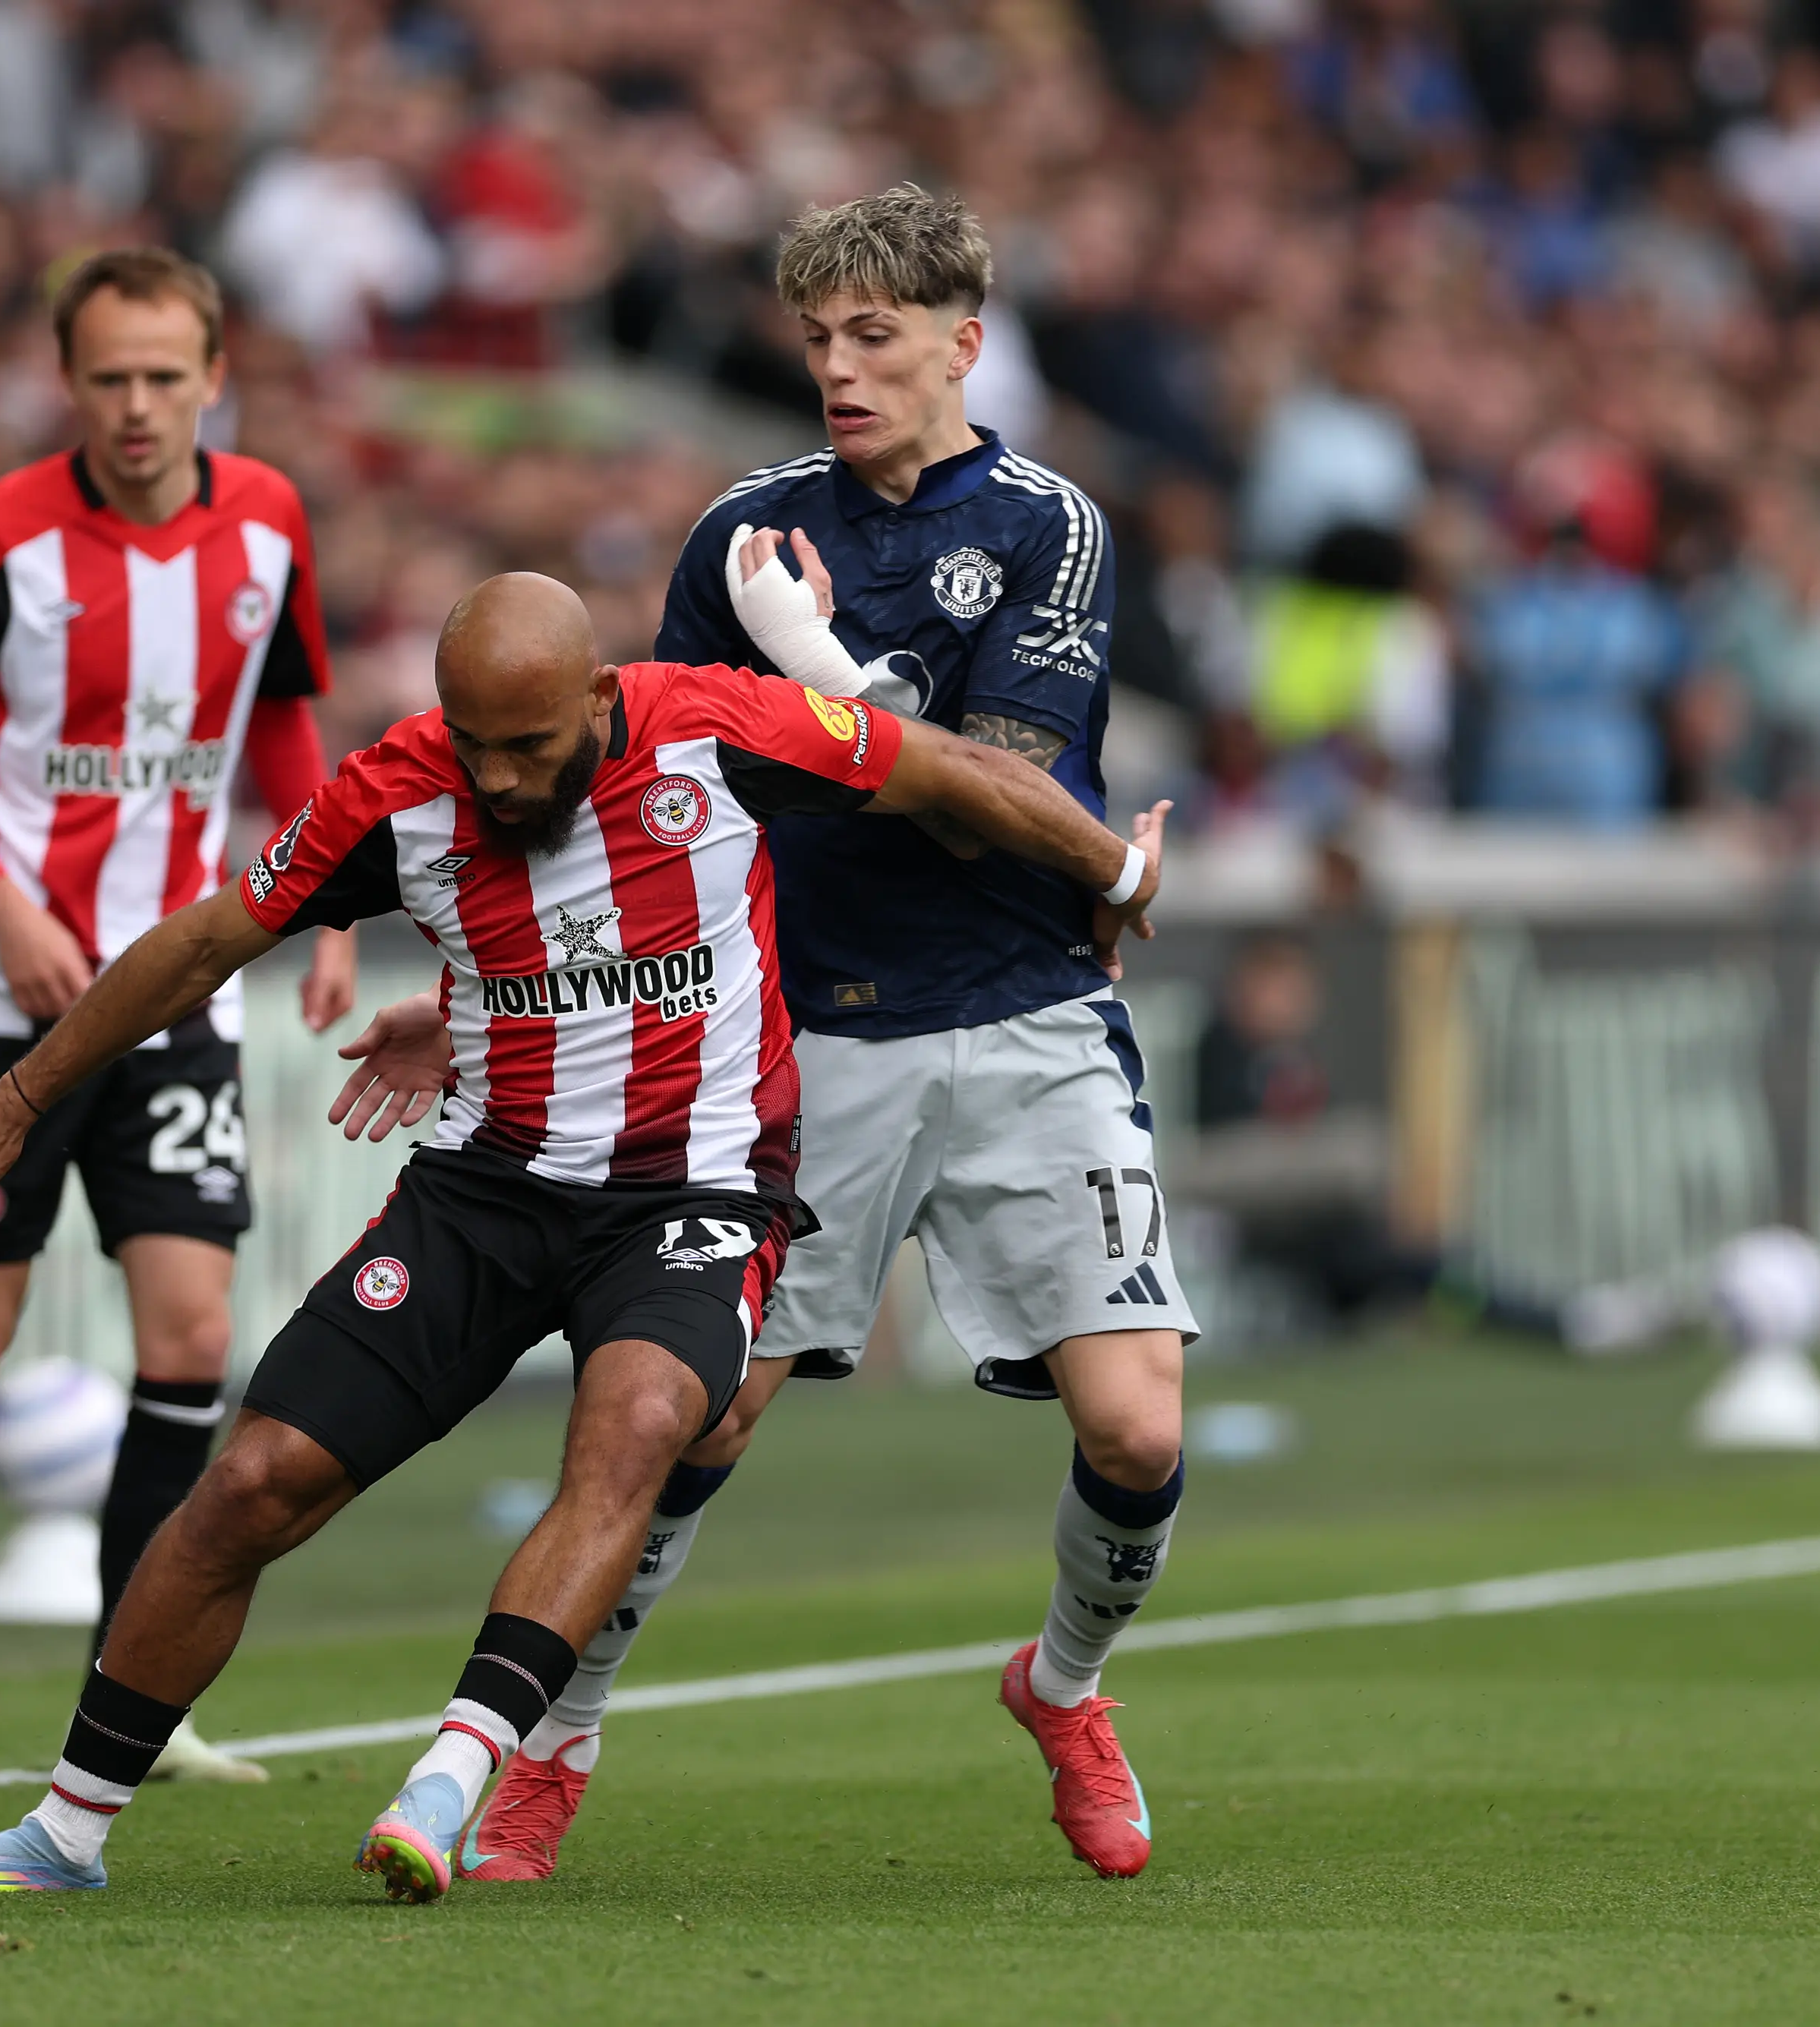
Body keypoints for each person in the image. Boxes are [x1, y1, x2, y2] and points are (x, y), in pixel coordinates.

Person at [0, 570, 1167, 1899]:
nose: (502, 780)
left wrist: (1113, 871)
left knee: (641, 1424)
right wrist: (15, 1099)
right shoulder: (394, 792)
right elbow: (201, 944)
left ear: (597, 698)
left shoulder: (719, 725)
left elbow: (942, 770)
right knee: (251, 1484)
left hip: (693, 1192)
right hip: (486, 1187)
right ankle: (67, 1830)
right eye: (475, 745)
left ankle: (458, 1774)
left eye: (530, 747)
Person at [338, 185, 1196, 1883]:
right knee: (697, 1420)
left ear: (966, 340)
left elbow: (985, 801)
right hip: (802, 1038)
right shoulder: (742, 534)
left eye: (875, 336)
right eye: (816, 339)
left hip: (1025, 1012)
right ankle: (552, 1749)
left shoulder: (1049, 526)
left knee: (1139, 1432)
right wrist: (476, 987)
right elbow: (639, 793)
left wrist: (832, 678)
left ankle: (1066, 1687)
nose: (839, 369)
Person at [0, 249, 357, 1785]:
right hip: (3, 994)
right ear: (68, 380)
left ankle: (129, 1694)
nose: (140, 406)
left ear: (214, 376)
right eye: (111, 378)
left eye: (167, 376)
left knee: (195, 1333)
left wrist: (331, 900)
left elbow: (282, 717)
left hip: (177, 981)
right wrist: (7, 902)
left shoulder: (269, 521)